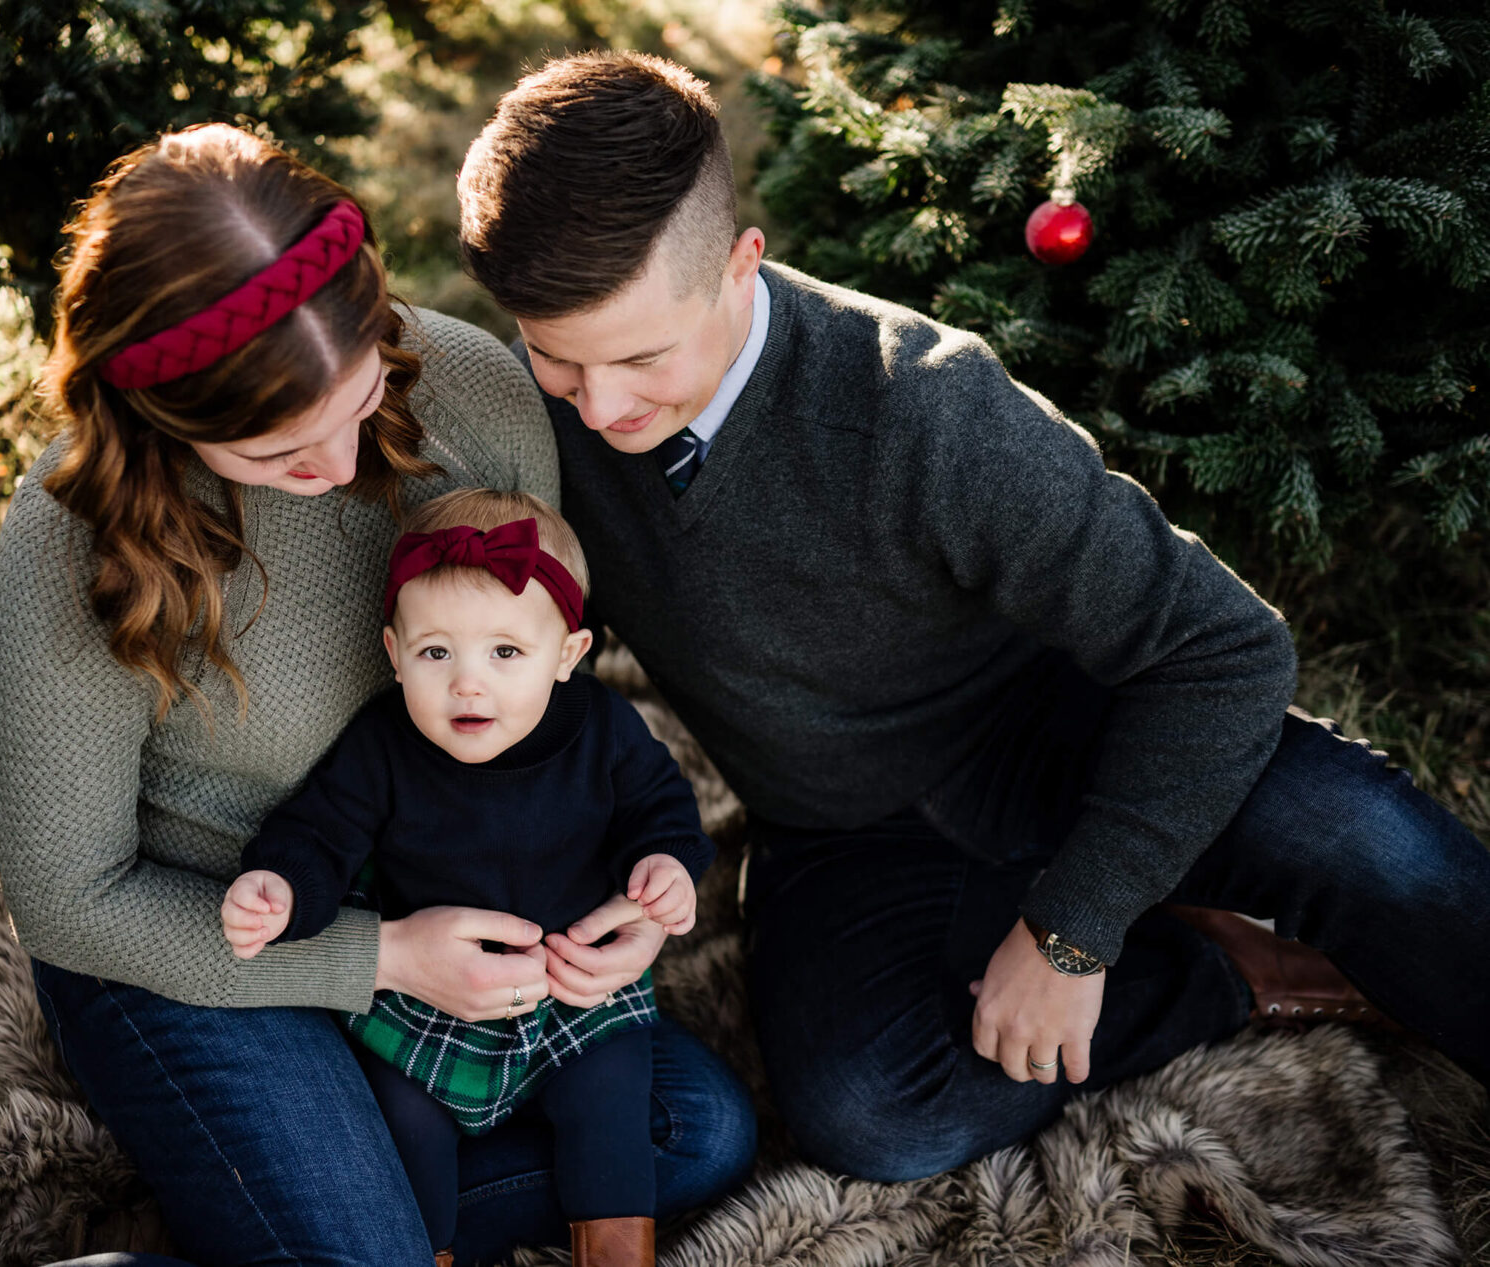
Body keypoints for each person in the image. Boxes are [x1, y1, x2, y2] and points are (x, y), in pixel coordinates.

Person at [453, 51, 1490, 1182]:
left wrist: (1070, 927)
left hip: (1064, 739)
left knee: (1367, 841)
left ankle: (1127, 905)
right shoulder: (526, 421)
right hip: (841, 830)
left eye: (641, 357)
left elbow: (1224, 651)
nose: (599, 409)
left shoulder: (929, 406)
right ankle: (1224, 969)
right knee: (874, 1113)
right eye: (557, 358)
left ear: (742, 265)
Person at [0, 122, 754, 1267]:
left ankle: (310, 1218)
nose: (341, 473)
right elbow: (68, 899)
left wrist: (630, 906)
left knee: (691, 1132)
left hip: (454, 873)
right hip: (208, 942)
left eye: (360, 400)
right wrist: (375, 958)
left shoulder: (476, 396)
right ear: (162, 421)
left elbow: (540, 679)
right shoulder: (75, 539)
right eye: (280, 454)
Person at [224, 489, 712, 1267]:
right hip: (429, 992)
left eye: (505, 653)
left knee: (612, 1102)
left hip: (568, 987)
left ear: (568, 655)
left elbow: (663, 810)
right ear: (393, 653)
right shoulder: (383, 745)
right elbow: (320, 829)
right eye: (435, 652)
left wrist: (665, 869)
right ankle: (427, 1249)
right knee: (406, 1126)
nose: (467, 684)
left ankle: (616, 1252)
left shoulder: (604, 729)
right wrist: (282, 887)